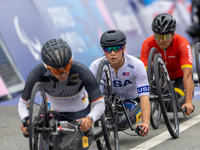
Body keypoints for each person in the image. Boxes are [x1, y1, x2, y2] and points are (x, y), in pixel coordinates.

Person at [18, 38, 105, 149]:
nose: (63, 73)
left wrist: (90, 119)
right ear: (47, 68)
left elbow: (100, 103)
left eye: (67, 67)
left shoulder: (82, 71)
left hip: (79, 114)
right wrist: (26, 120)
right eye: (57, 71)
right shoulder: (37, 74)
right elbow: (23, 103)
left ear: (71, 61)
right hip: (53, 114)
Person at [89, 29, 150, 136]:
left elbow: (144, 96)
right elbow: (87, 95)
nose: (112, 53)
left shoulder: (136, 65)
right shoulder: (95, 66)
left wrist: (145, 123)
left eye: (117, 49)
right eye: (108, 49)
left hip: (132, 100)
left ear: (123, 48)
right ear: (103, 50)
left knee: (120, 123)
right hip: (110, 101)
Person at [140, 13, 195, 115]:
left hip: (179, 79)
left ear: (173, 34)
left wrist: (188, 102)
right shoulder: (148, 43)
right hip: (160, 79)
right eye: (157, 36)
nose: (160, 41)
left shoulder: (182, 43)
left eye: (165, 37)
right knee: (162, 101)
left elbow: (188, 74)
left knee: (171, 105)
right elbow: (143, 72)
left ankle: (189, 91)